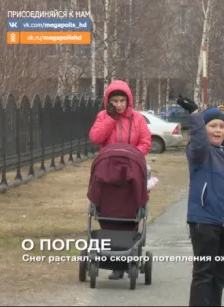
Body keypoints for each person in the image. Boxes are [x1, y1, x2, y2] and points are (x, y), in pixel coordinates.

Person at [176, 96, 224, 306]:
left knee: (220, 275)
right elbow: (199, 141)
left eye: (221, 126)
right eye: (212, 126)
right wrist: (195, 116)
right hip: (204, 222)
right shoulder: (200, 152)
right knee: (204, 275)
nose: (218, 130)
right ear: (204, 128)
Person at [88, 80, 152, 280]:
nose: (118, 104)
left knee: (130, 211)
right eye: (114, 100)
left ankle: (126, 255)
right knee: (109, 209)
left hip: (132, 169)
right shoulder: (103, 116)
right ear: (108, 101)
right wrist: (109, 118)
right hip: (108, 170)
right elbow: (96, 138)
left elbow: (145, 141)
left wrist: (132, 155)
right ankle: (112, 254)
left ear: (128, 100)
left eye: (122, 100)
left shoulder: (138, 119)